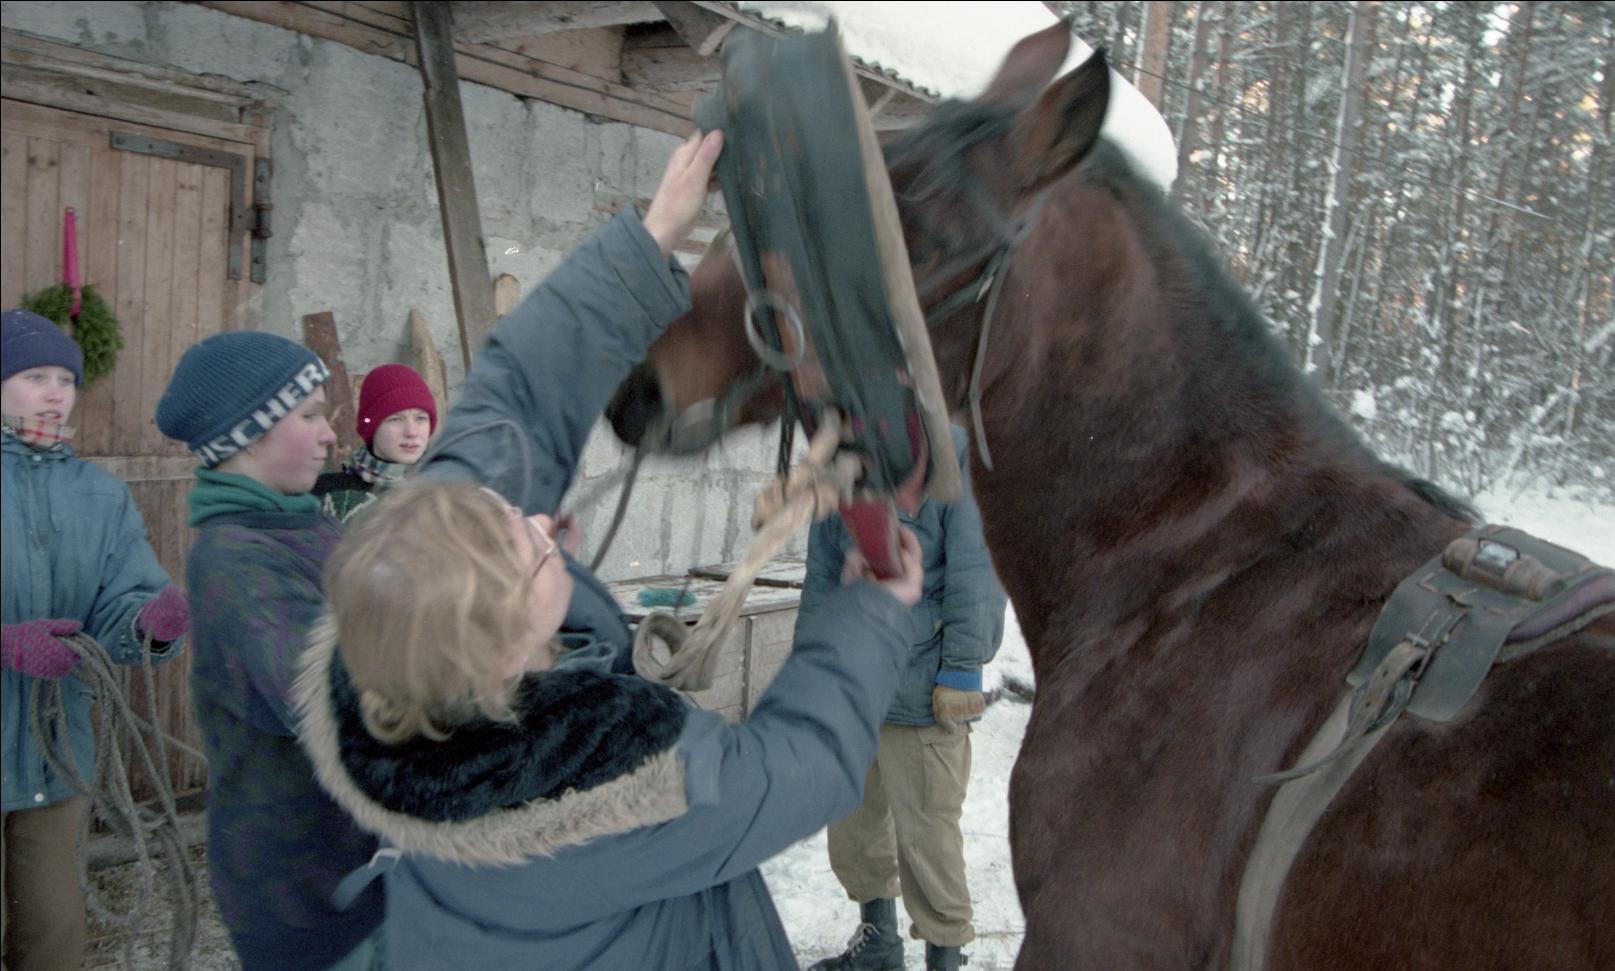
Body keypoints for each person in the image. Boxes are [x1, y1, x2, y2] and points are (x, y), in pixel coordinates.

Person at [291, 129, 925, 969]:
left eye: (506, 512)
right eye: (531, 551)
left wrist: (648, 240)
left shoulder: (398, 633)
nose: (540, 520)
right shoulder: (624, 792)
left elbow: (513, 393)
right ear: (511, 652)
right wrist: (871, 612)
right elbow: (800, 763)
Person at [154, 330, 383, 970]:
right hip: (304, 888)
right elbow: (336, 704)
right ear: (250, 434)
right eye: (309, 415)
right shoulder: (237, 559)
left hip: (359, 860)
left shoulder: (305, 523)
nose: (330, 435)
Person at [1, 309, 190, 971]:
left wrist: (150, 623)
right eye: (34, 377)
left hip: (57, 758)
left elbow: (122, 602)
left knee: (53, 936)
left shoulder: (99, 496)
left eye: (65, 379)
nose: (55, 393)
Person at [802, 426, 1007, 971]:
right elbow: (821, 570)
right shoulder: (839, 453)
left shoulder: (947, 449)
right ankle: (879, 943)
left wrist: (961, 670)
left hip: (922, 687)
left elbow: (977, 567)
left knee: (928, 838)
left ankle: (944, 958)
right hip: (853, 682)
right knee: (853, 827)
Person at [314, 363, 438, 523]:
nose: (411, 432)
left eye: (421, 418)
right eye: (395, 419)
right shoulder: (329, 493)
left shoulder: (451, 492)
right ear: (372, 426)